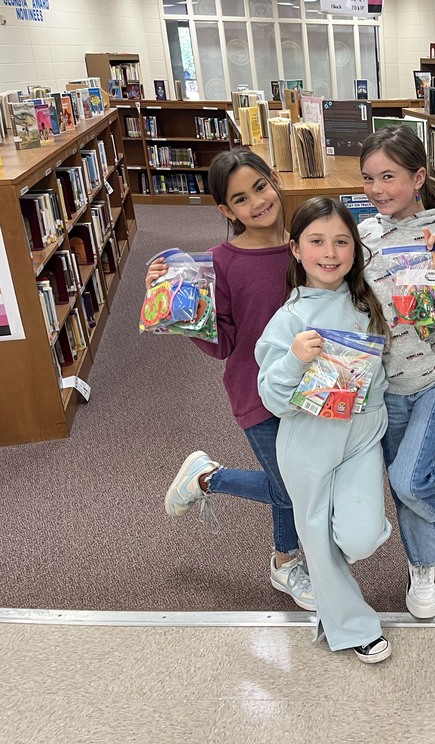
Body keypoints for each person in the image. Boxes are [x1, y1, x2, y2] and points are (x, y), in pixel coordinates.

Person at [146, 149, 314, 612]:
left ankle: (285, 558)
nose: (257, 202)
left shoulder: (308, 244)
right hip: (255, 394)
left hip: (313, 389)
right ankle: (209, 479)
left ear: (274, 179)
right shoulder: (219, 263)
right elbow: (220, 344)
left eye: (260, 187)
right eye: (241, 199)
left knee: (300, 478)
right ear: (226, 210)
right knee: (290, 487)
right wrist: (174, 301)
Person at [255, 196, 393, 664]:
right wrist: (295, 358)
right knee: (315, 536)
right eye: (316, 241)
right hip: (308, 442)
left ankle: (325, 568)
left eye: (341, 241)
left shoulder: (366, 303)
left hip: (361, 437)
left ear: (356, 247)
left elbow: (379, 375)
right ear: (296, 250)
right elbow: (272, 398)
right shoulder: (289, 320)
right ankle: (353, 625)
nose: (330, 253)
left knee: (360, 536)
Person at [357, 126, 435, 620]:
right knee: (403, 478)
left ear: (419, 177)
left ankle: (426, 562)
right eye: (368, 178)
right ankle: (421, 560)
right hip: (385, 381)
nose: (377, 189)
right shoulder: (363, 236)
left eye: (389, 176)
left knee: (407, 480)